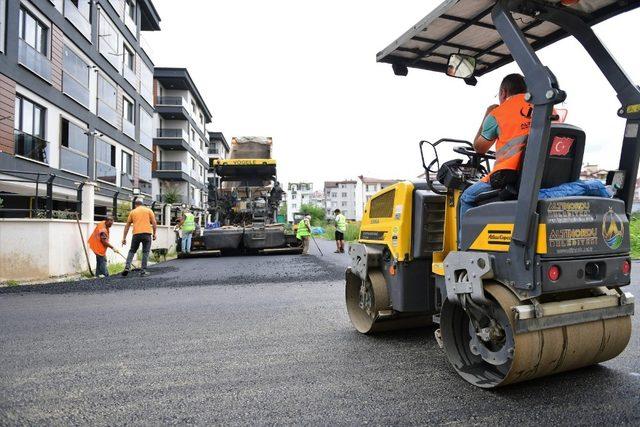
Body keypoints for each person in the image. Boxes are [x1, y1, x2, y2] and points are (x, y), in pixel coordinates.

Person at [459, 73, 532, 220]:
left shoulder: (498, 114)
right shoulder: (547, 109)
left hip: (509, 178)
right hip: (542, 174)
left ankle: (463, 243)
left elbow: (479, 148)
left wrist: (487, 115)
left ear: (503, 93)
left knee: (466, 197)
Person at [121, 199, 157, 276]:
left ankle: (127, 267)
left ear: (135, 205)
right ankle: (143, 271)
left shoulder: (133, 212)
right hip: (147, 234)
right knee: (145, 252)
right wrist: (154, 234)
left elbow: (127, 225)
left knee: (132, 251)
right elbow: (154, 222)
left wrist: (124, 238)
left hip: (136, 234)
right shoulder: (148, 210)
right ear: (142, 204)